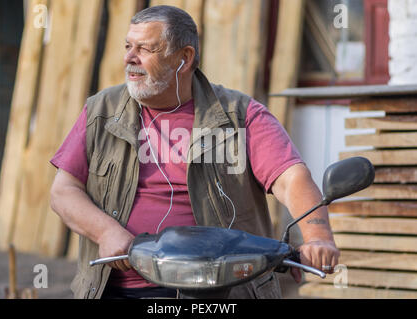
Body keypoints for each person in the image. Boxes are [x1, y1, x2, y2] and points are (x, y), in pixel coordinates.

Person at [50, 5, 339, 299]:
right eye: (128, 46)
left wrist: (318, 237)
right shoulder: (102, 111)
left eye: (145, 49)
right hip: (119, 287)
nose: (129, 58)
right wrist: (105, 232)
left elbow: (291, 179)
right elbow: (63, 190)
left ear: (184, 58)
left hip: (218, 289)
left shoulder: (239, 115)